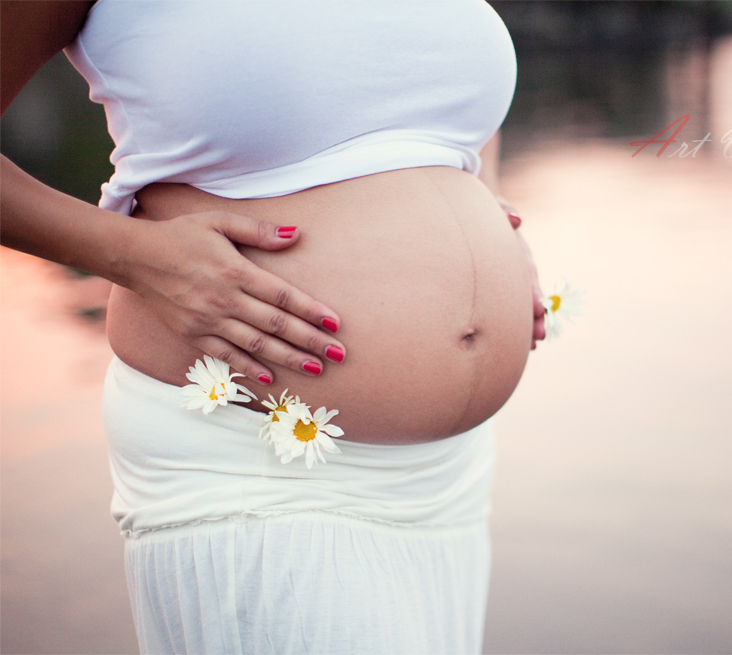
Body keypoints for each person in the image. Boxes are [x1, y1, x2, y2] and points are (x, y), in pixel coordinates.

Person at [1, 1, 545, 652]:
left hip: (448, 474)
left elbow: (443, 113)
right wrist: (136, 257)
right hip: (252, 457)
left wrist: (481, 205)